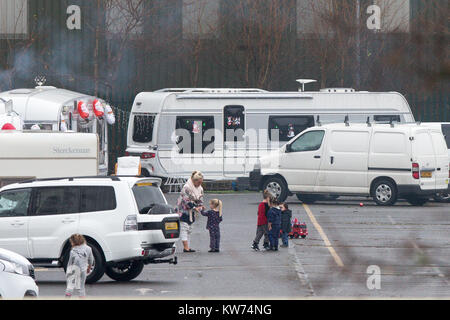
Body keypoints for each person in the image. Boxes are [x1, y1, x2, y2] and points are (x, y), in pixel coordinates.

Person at [177, 171, 205, 253]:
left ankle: (188, 247)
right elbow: (185, 199)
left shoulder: (200, 188)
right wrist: (194, 207)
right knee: (184, 228)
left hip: (192, 211)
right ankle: (186, 247)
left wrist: (200, 206)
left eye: (201, 182)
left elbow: (201, 198)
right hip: (183, 210)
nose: (200, 184)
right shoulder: (186, 187)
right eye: (199, 182)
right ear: (194, 180)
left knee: (190, 228)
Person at [65, 234, 93, 298]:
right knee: (81, 287)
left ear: (74, 242)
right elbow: (91, 260)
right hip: (83, 270)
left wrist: (67, 272)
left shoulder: (73, 251)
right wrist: (89, 267)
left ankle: (67, 297)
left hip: (74, 269)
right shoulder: (89, 249)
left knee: (70, 286)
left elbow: (70, 263)